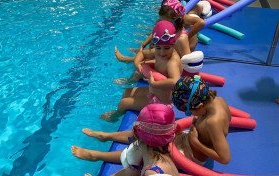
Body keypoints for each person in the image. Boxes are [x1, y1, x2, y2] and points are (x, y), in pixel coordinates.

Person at [71, 75, 231, 166]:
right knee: (150, 130)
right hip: (188, 138)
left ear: (200, 105)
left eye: (190, 110)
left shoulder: (213, 122)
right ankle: (106, 136)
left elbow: (225, 158)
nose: (191, 114)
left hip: (190, 153)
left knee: (146, 148)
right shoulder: (217, 101)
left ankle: (97, 155)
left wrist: (196, 142)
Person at [103, 20, 182, 121]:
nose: (162, 52)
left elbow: (175, 81)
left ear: (173, 45)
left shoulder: (172, 62)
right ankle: (121, 112)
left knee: (123, 103)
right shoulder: (160, 51)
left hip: (161, 101)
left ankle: (114, 117)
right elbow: (143, 54)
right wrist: (137, 64)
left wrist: (154, 84)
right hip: (153, 92)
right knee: (127, 92)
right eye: (158, 48)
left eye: (167, 48)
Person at [81, 104, 179, 176]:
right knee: (133, 169)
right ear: (172, 135)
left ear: (135, 133)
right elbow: (131, 171)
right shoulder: (154, 156)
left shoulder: (153, 172)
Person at [115, 0, 206, 63]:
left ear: (176, 19)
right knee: (149, 51)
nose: (162, 23)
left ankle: (126, 59)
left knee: (152, 55)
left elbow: (186, 59)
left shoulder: (182, 34)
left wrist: (188, 36)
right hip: (173, 46)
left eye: (164, 21)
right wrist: (144, 44)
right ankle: (136, 54)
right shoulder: (171, 24)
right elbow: (156, 32)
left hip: (181, 51)